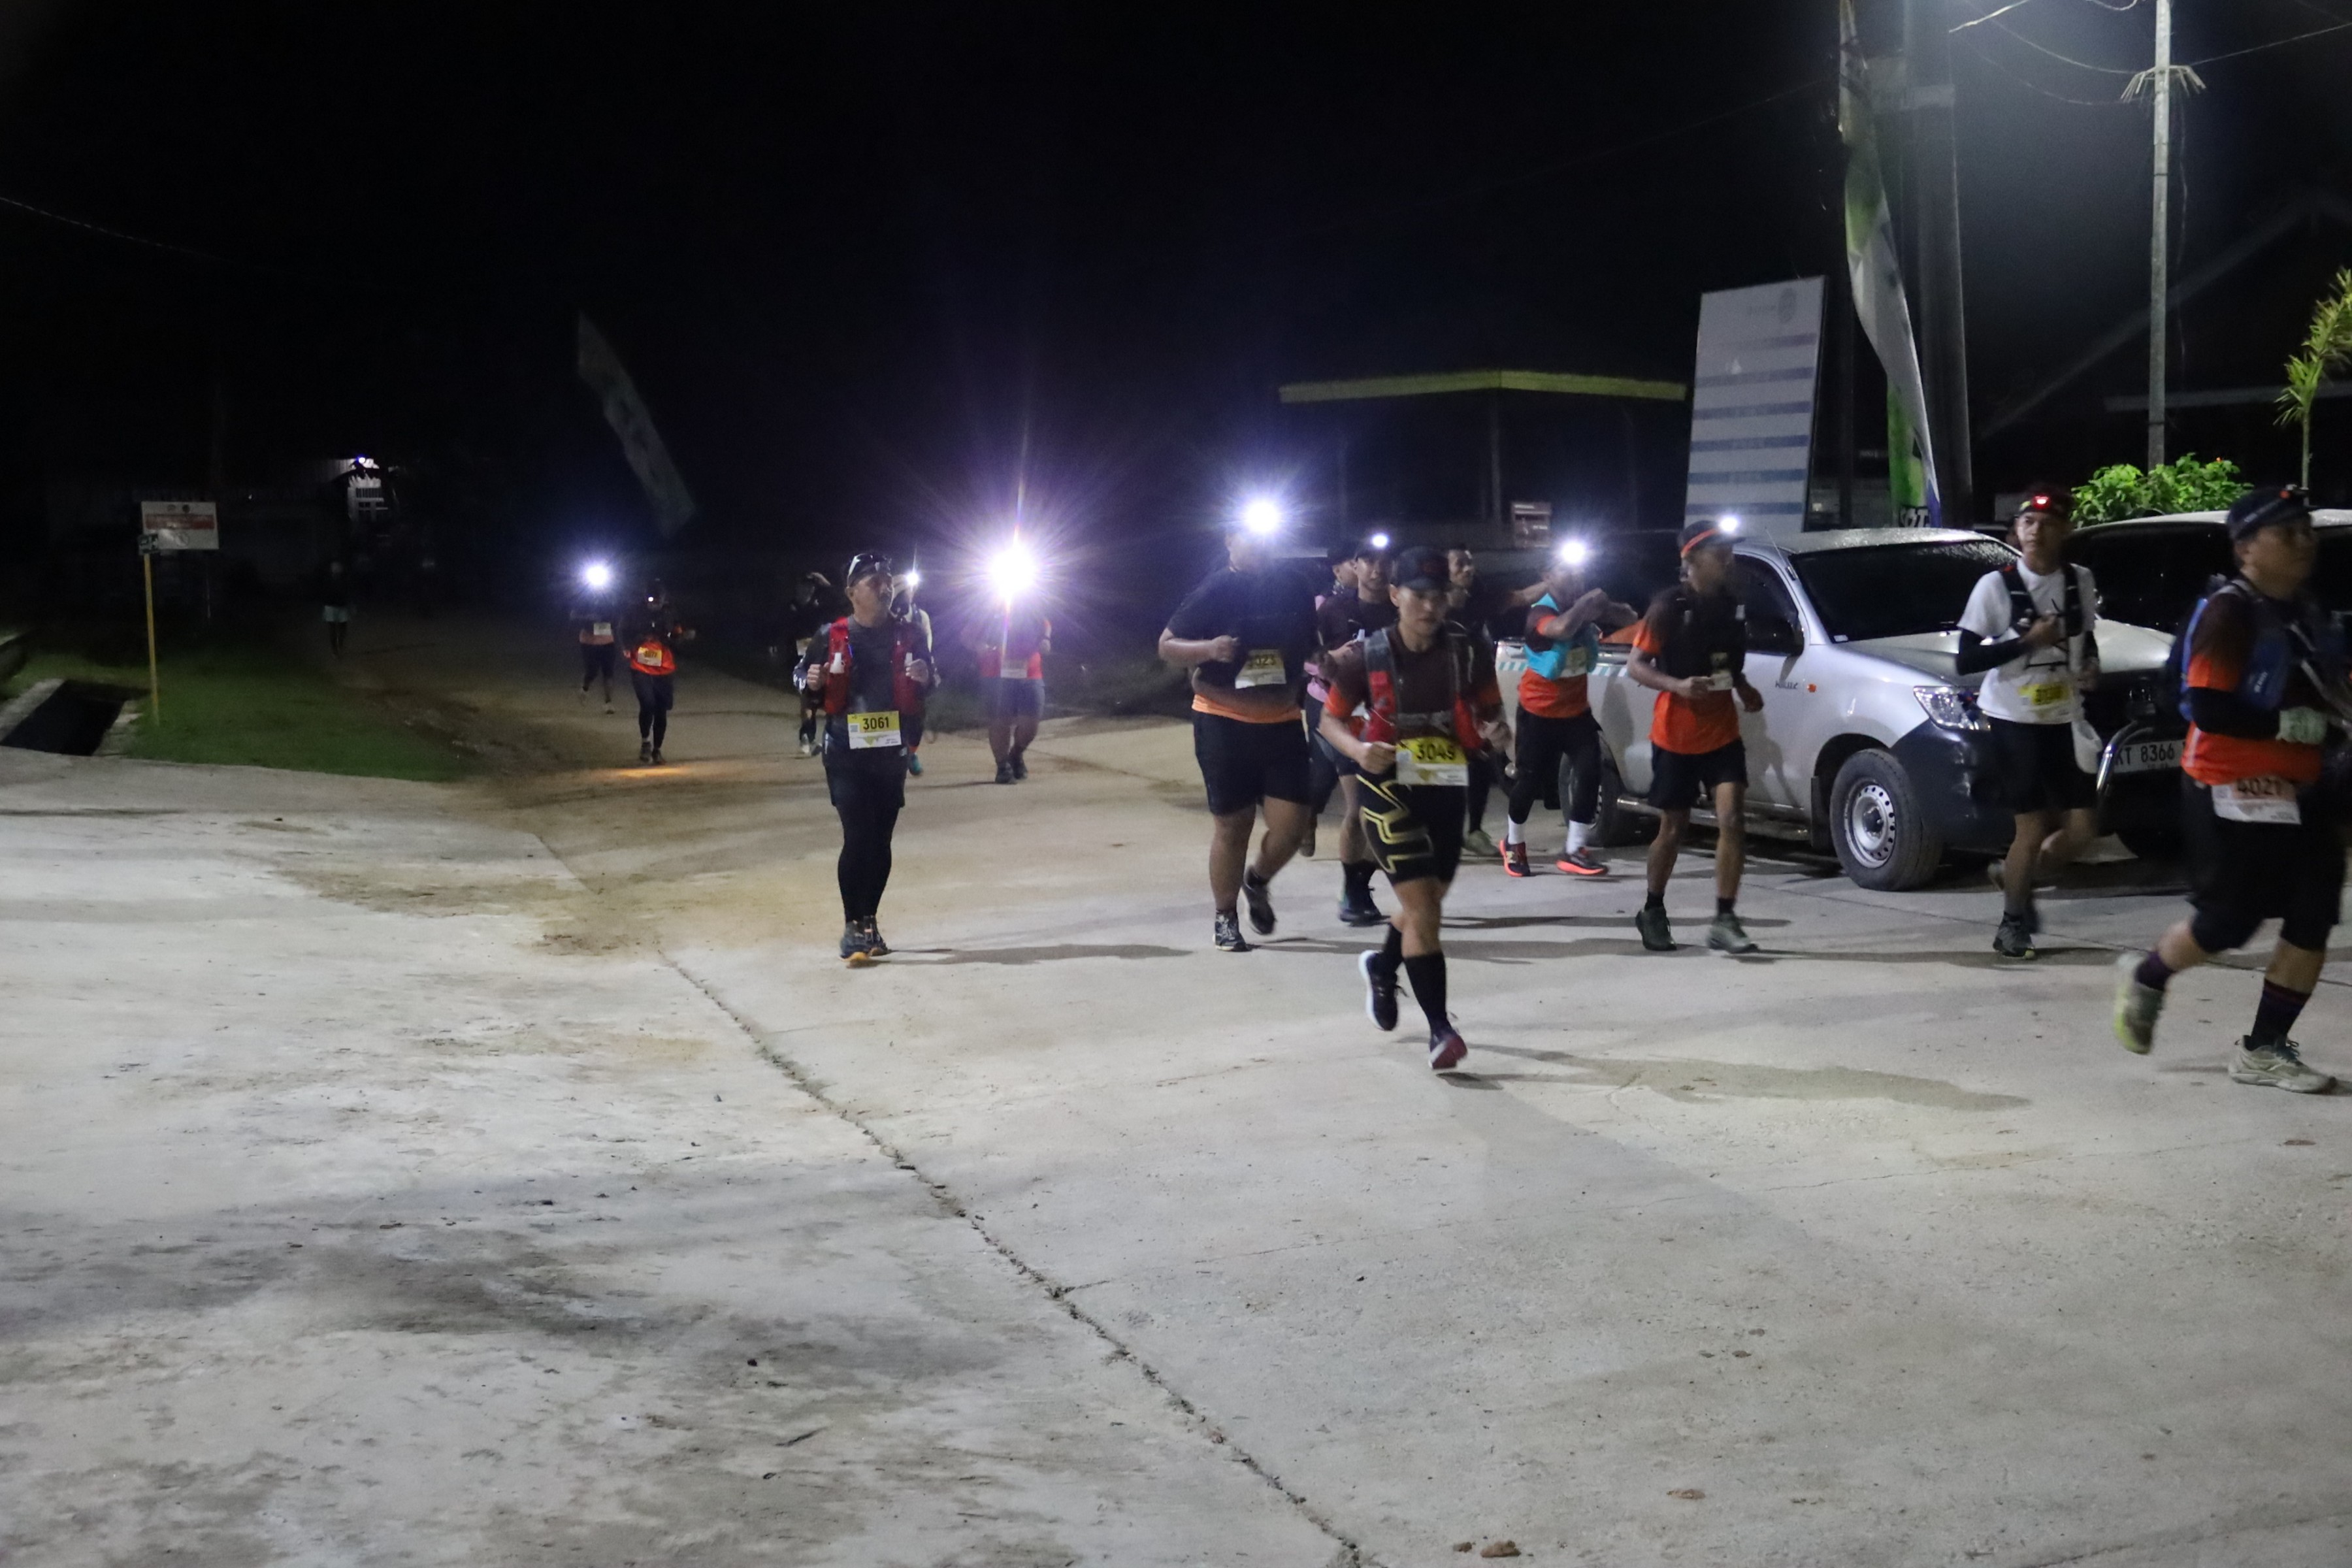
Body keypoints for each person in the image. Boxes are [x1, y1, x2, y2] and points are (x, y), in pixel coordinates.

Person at [2112, 485, 2345, 1092]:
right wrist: (2288, 726)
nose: (2304, 542)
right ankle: (2149, 975)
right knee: (2228, 924)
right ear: (2246, 549)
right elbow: (2210, 708)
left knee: (2313, 917)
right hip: (2230, 789)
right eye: (2287, 533)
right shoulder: (2229, 614)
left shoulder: (2306, 610)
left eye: (2306, 530)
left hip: (2301, 788)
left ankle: (2264, 1049)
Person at [1320, 547, 1509, 1071]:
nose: (1430, 608)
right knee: (1426, 909)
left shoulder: (1468, 650)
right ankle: (1441, 1030)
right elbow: (1328, 721)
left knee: (1428, 899)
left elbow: (1491, 708)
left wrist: (1497, 730)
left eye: (1438, 597)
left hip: (1445, 782)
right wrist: (1359, 750)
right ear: (1395, 596)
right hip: (1386, 788)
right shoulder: (1366, 656)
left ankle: (1384, 967)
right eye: (1419, 597)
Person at [1158, 509, 1320, 953]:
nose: (1259, 546)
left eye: (1266, 537)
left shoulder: (1296, 585)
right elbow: (1166, 646)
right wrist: (1208, 649)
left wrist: (1322, 662)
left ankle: (1258, 880)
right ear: (1229, 539)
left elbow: (1310, 643)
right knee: (1234, 827)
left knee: (1292, 828)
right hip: (1223, 722)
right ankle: (1225, 917)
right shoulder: (1215, 589)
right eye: (1249, 537)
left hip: (1282, 721)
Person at [1954, 490, 2100, 958]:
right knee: (2032, 826)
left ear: (2066, 531)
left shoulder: (2079, 580)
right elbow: (1966, 660)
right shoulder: (1995, 587)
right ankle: (2012, 926)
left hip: (2066, 715)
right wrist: (2027, 642)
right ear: (2017, 531)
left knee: (2083, 830)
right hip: (2014, 718)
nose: (2036, 532)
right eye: (2028, 523)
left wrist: (2090, 666)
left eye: (2048, 523)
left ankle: (2016, 875)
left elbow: (2086, 636)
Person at [1626, 518, 1765, 954]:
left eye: (1729, 549)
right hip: (1676, 735)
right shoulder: (1668, 606)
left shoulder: (1732, 604)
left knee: (1733, 820)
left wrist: (1742, 686)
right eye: (1718, 551)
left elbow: (1725, 661)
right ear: (1691, 559)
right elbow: (1636, 665)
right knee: (1673, 829)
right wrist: (1678, 686)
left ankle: (1724, 918)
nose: (1728, 558)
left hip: (1722, 731)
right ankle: (1653, 909)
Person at [799, 552, 933, 964]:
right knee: (857, 835)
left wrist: (926, 677)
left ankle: (870, 920)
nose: (885, 586)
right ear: (852, 592)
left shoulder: (910, 634)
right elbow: (800, 674)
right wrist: (811, 679)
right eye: (874, 581)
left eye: (887, 580)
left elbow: (932, 679)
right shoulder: (831, 634)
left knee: (881, 839)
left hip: (891, 750)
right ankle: (852, 924)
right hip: (845, 749)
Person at [1503, 546, 1639, 878]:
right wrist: (1586, 606)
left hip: (1576, 712)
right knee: (1529, 781)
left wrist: (1607, 606)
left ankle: (1575, 848)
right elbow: (1561, 629)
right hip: (1538, 712)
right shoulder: (1540, 613)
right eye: (1566, 570)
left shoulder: (1584, 608)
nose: (1575, 577)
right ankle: (1513, 843)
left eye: (1579, 571)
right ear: (1547, 577)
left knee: (1591, 771)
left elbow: (1631, 618)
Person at [1317, 539, 1399, 926]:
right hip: (1345, 718)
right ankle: (1352, 890)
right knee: (1359, 807)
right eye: (1368, 560)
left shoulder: (1404, 607)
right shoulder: (1334, 609)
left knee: (1395, 810)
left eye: (1384, 561)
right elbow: (1308, 655)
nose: (1377, 568)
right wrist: (1329, 661)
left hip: (1395, 720)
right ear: (1354, 565)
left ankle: (1364, 881)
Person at [1446, 546, 1546, 858]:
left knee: (1479, 763)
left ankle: (1473, 831)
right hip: (1437, 700)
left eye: (1470, 563)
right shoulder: (1427, 609)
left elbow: (1522, 597)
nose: (1468, 569)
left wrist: (1553, 581)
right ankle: (1436, 834)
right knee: (1437, 771)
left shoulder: (1479, 601)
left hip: (1474, 697)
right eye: (1460, 564)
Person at [973, 597, 1051, 784]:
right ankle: (1002, 767)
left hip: (1030, 673)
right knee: (1000, 722)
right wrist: (978, 646)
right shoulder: (988, 610)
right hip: (996, 674)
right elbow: (968, 635)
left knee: (1031, 724)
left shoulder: (1033, 611)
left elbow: (1045, 626)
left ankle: (1016, 754)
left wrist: (1046, 640)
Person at [784, 572, 845, 757]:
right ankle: (807, 737)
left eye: (812, 586)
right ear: (798, 588)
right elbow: (782, 630)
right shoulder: (790, 607)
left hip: (820, 656)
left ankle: (814, 738)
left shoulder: (818, 606)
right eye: (805, 586)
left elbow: (841, 603)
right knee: (807, 697)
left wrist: (826, 585)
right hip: (799, 658)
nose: (809, 590)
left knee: (823, 697)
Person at [625, 596, 689, 765]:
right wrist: (627, 645)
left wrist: (677, 638)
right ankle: (645, 741)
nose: (654, 605)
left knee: (661, 710)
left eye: (657, 601)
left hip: (664, 668)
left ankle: (657, 750)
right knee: (647, 703)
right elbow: (624, 629)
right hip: (641, 667)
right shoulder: (636, 611)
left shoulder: (670, 613)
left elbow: (679, 636)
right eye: (651, 601)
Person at [893, 574, 939, 776]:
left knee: (916, 717)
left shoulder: (921, 617)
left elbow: (927, 645)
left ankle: (911, 752)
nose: (907, 594)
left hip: (914, 672)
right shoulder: (883, 617)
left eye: (909, 589)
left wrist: (927, 670)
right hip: (892, 673)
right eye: (902, 590)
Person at [574, 580, 621, 712]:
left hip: (607, 641)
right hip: (589, 642)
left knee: (608, 673)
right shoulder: (582, 600)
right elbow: (574, 616)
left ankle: (608, 702)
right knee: (592, 671)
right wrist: (589, 619)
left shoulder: (610, 600)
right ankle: (585, 688)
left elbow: (616, 618)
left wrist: (605, 622)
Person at [320, 560, 353, 657]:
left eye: (338, 567)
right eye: (334, 567)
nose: (336, 569)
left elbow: (349, 591)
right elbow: (323, 592)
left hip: (342, 606)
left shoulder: (345, 579)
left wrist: (350, 604)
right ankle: (335, 649)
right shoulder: (327, 579)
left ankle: (340, 645)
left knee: (343, 628)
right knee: (332, 629)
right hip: (331, 606)